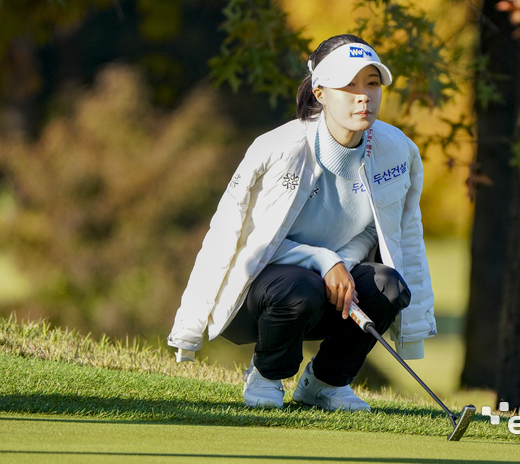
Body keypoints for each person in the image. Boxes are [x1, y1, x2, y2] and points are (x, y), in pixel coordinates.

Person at [168, 34, 436, 412]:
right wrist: (324, 261)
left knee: (387, 285)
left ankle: (325, 383)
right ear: (320, 91)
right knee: (300, 285)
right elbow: (243, 239)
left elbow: (390, 231)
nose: (364, 96)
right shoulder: (276, 150)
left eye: (372, 84)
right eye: (349, 85)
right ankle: (267, 376)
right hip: (265, 295)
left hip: (336, 296)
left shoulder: (398, 150)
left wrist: (341, 262)